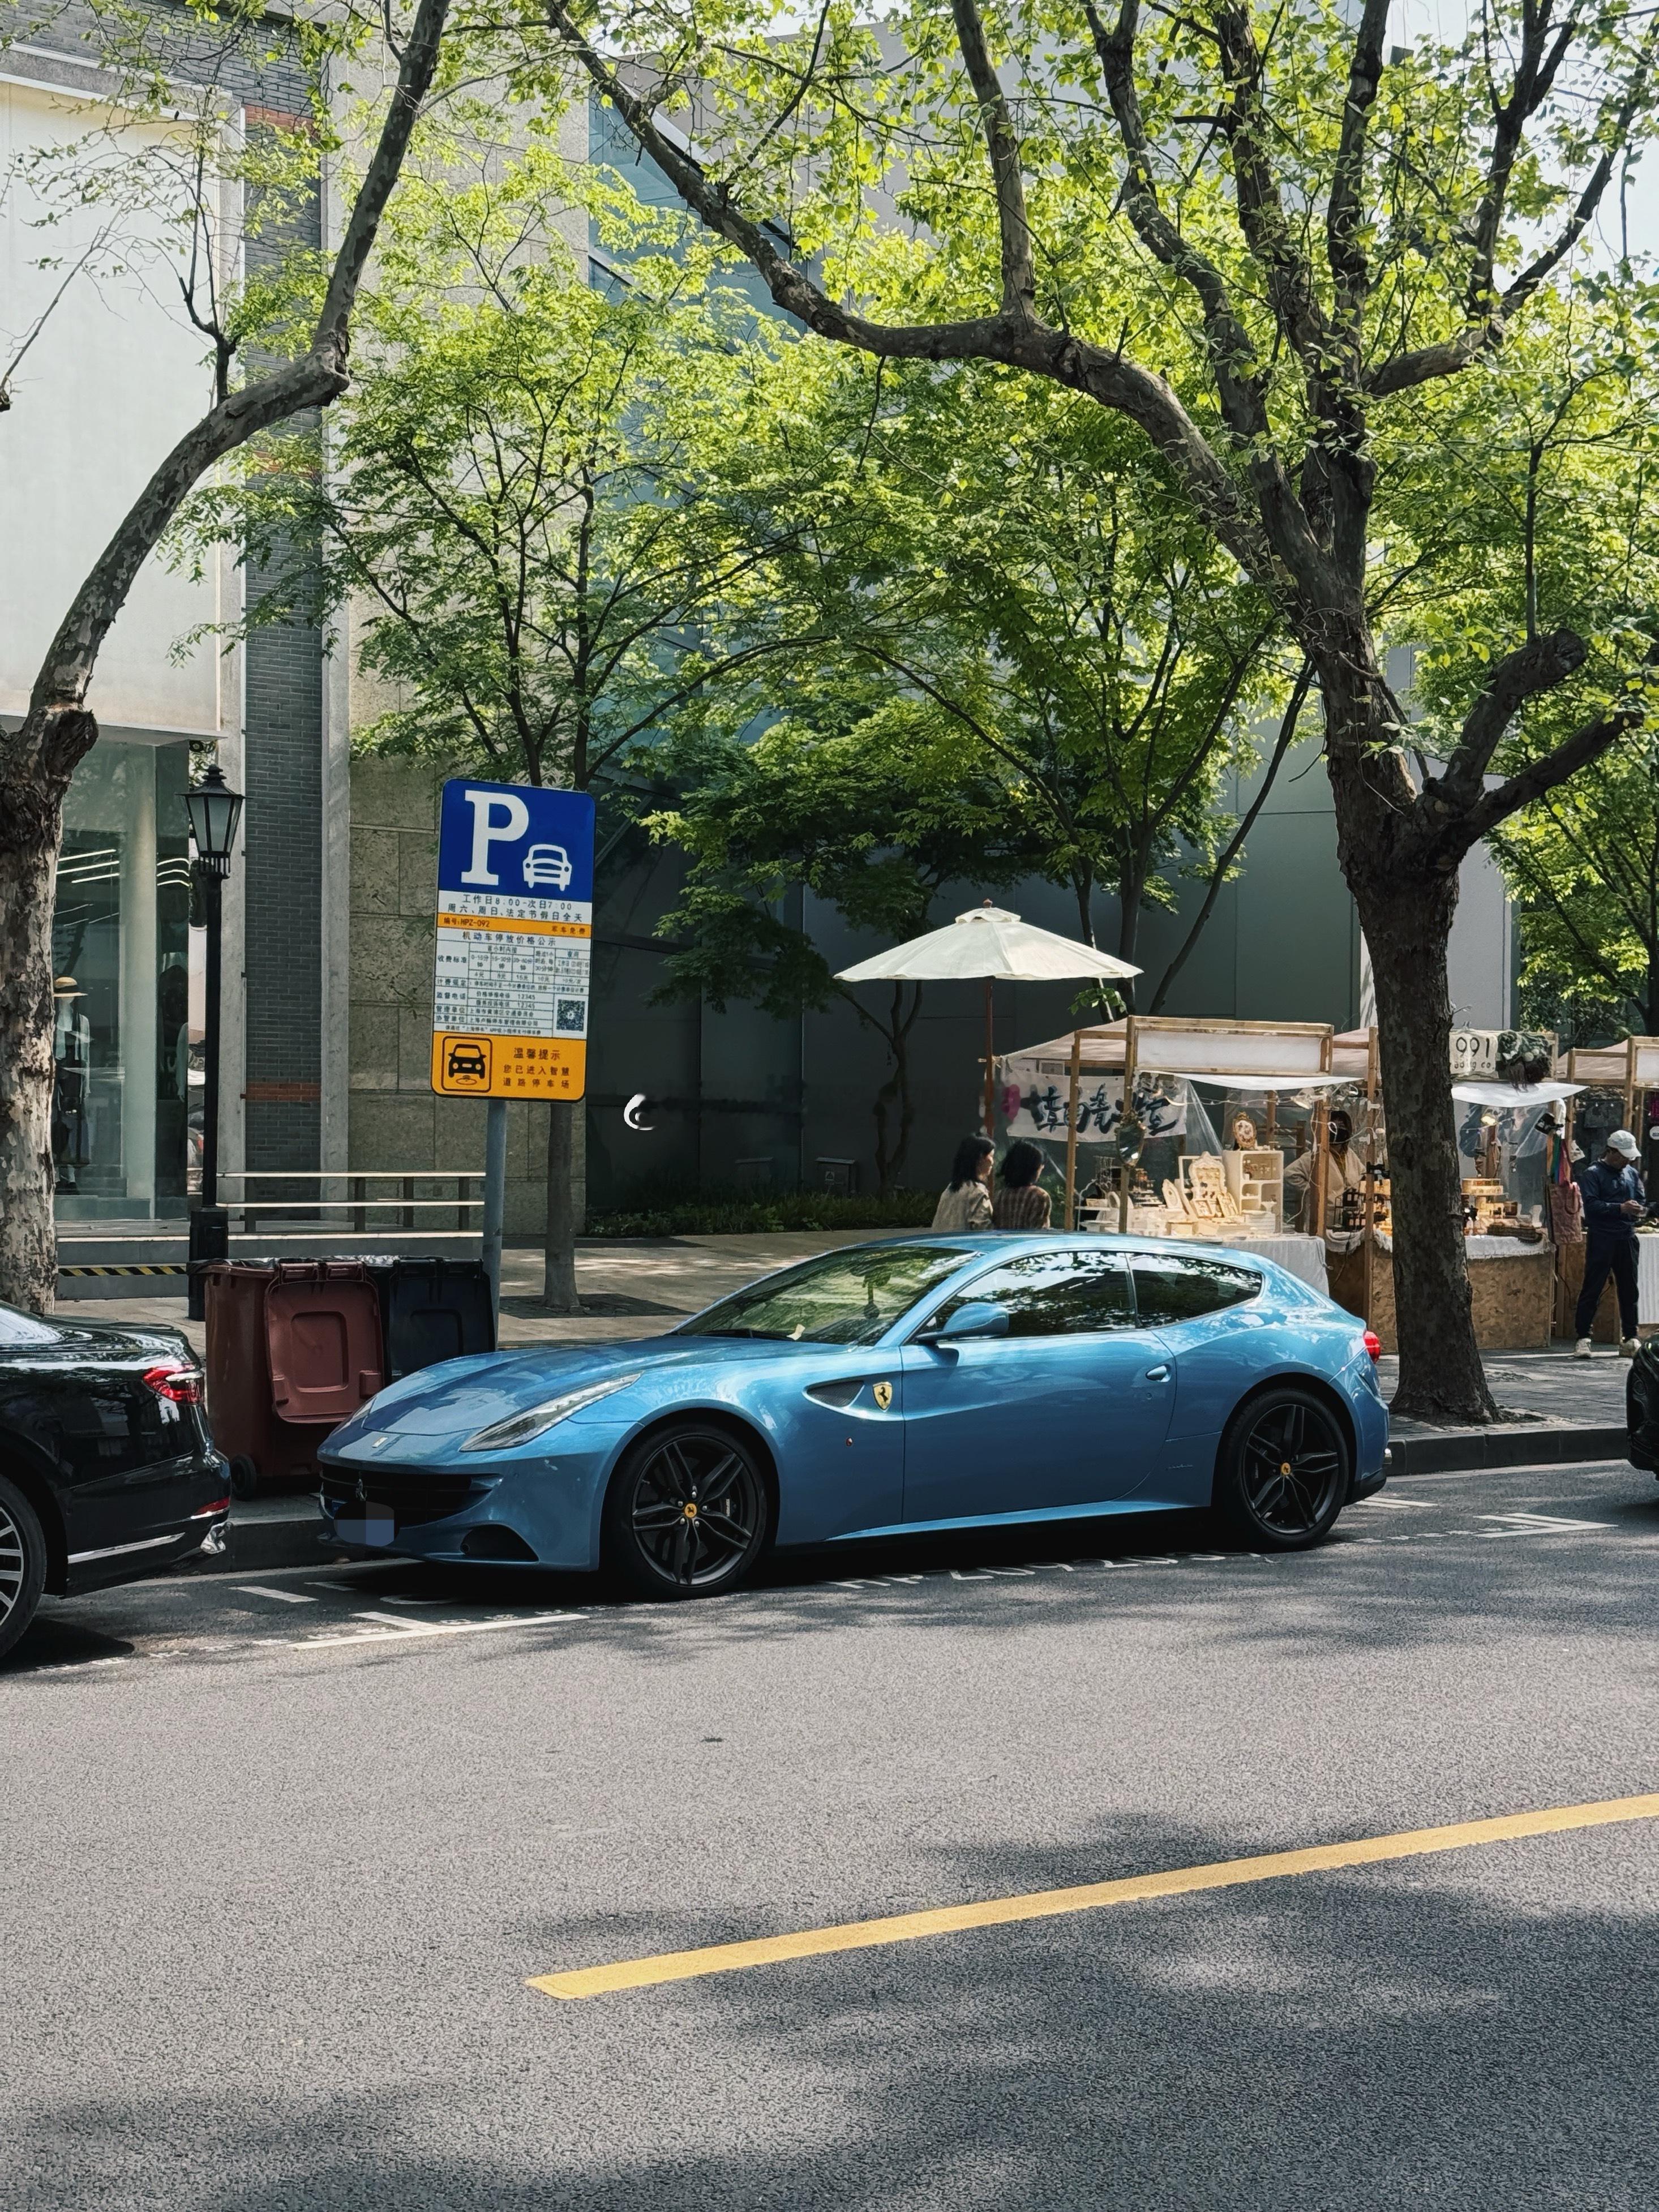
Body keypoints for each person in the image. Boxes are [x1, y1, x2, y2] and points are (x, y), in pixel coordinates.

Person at [1574, 1129, 1646, 1357]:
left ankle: (1631, 1337)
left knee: (1629, 1289)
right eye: (1623, 1157)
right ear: (1611, 1152)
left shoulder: (1631, 1173)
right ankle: (1583, 1338)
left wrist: (1639, 1209)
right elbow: (1591, 1206)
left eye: (1629, 1157)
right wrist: (1620, 1208)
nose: (1626, 1161)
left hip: (1627, 1236)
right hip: (1602, 1237)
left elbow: (1641, 1199)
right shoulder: (1593, 1174)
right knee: (1593, 1287)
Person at [932, 1134, 994, 1230]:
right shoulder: (977, 1192)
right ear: (980, 1159)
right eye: (991, 1156)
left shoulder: (950, 1190)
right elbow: (983, 1230)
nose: (992, 1162)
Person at [993, 1139, 1052, 1230]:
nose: (1042, 1168)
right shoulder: (1039, 1196)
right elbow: (1039, 1232)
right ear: (1034, 1168)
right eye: (1041, 1164)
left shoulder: (1000, 1196)